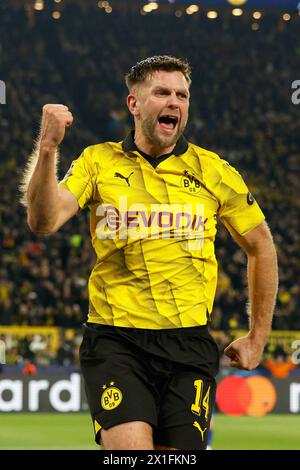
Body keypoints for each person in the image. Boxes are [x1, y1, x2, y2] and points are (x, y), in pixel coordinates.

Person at [20, 55, 278, 450]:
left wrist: (258, 337)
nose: (174, 102)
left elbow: (261, 245)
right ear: (134, 104)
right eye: (162, 92)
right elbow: (43, 221)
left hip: (188, 343)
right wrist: (49, 148)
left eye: (182, 95)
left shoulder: (214, 171)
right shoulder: (97, 161)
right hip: (116, 340)